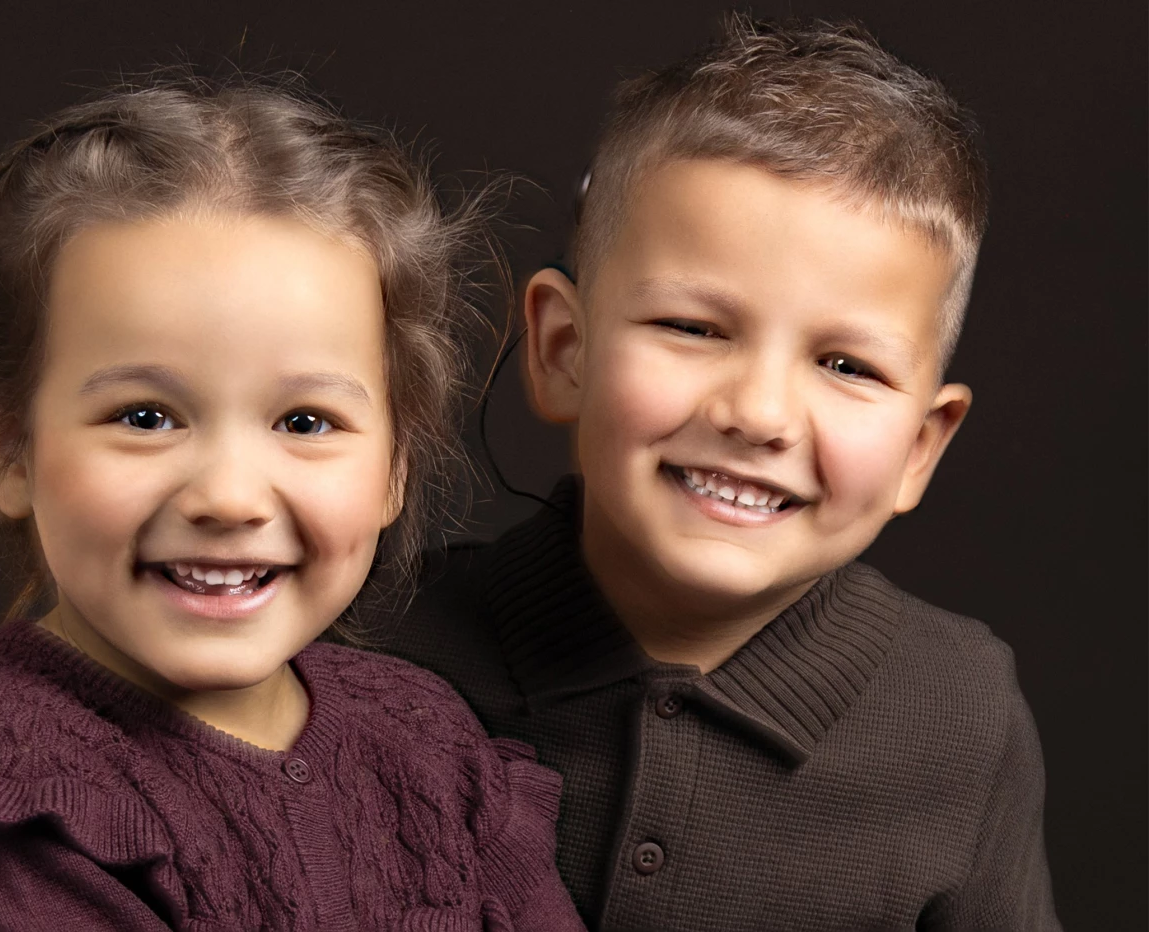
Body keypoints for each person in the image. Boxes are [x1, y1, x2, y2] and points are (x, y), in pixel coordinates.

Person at [0, 78, 585, 932]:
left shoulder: (427, 736)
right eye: (145, 417)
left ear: (394, 470)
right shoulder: (18, 801)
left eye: (305, 422)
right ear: (12, 450)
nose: (228, 497)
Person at [370, 15, 1061, 931]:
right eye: (692, 328)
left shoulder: (962, 718)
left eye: (848, 365)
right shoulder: (374, 641)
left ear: (920, 448)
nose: (760, 414)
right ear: (563, 349)